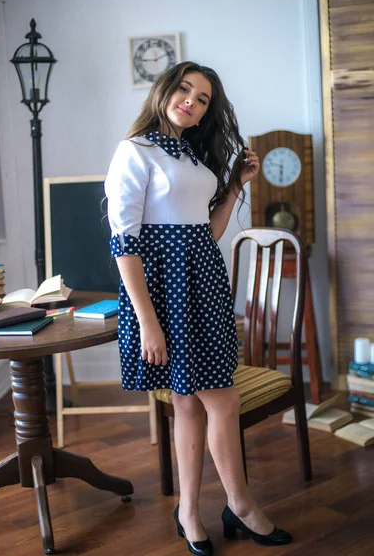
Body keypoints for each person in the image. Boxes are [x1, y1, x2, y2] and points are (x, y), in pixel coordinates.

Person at [104, 61, 292, 555]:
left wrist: (233, 187)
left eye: (204, 98)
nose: (192, 100)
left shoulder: (191, 157)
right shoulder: (136, 151)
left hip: (203, 283)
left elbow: (203, 235)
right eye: (185, 89)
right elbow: (124, 244)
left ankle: (189, 510)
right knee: (219, 400)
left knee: (191, 403)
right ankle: (240, 503)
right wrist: (147, 321)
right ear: (165, 91)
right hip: (164, 293)